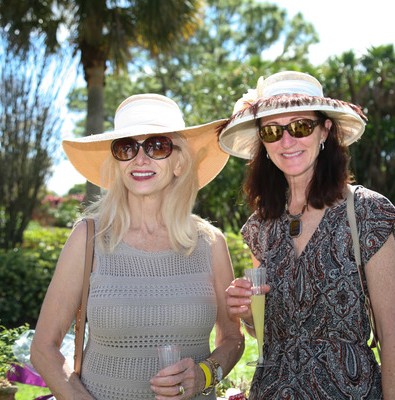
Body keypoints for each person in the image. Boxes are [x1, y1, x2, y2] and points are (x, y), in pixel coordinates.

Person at [30, 94, 244, 400]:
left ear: (179, 162)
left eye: (157, 146)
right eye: (126, 147)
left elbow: (233, 338)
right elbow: (43, 348)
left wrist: (205, 374)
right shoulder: (88, 237)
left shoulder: (211, 243)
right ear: (117, 163)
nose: (140, 159)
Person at [219, 71, 395, 399]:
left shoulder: (366, 212)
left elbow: (393, 340)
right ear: (263, 143)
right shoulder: (260, 226)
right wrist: (250, 313)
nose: (287, 141)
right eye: (272, 131)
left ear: (325, 130)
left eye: (300, 126)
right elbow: (264, 334)